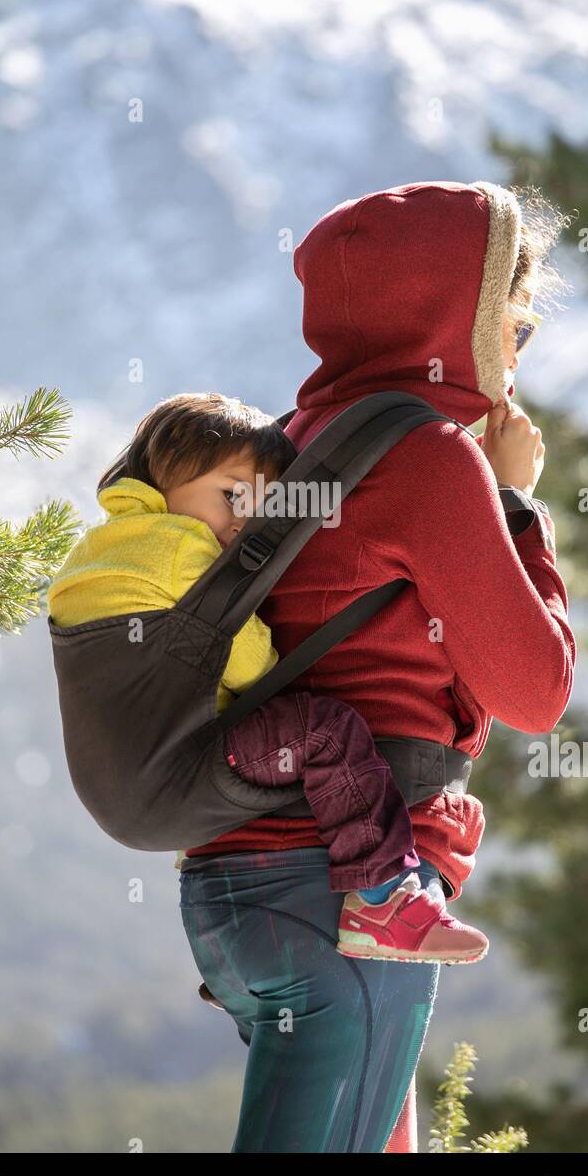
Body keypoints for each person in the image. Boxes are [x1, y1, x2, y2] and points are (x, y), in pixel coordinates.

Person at [178, 180, 577, 1152]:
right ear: (463, 320)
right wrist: (517, 505)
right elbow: (535, 691)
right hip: (352, 891)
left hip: (236, 889)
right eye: (512, 328)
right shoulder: (429, 457)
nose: (515, 358)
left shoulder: (293, 444)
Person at [47, 391, 492, 965]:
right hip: (177, 782)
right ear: (163, 474)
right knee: (324, 731)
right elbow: (254, 665)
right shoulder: (183, 550)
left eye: (259, 509)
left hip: (118, 793)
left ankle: (236, 932)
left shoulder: (93, 550)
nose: (242, 521)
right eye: (233, 494)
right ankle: (383, 896)